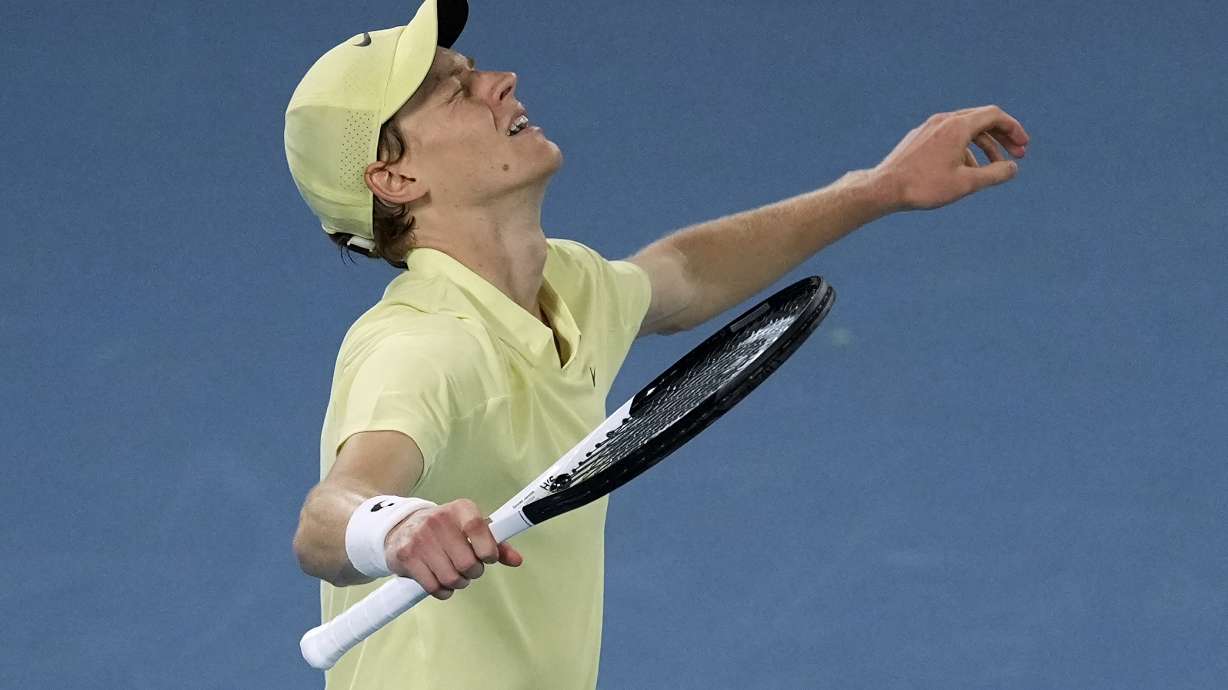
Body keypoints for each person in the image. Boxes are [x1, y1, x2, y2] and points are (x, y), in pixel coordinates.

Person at [283, 0, 1030, 687]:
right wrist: (398, 526)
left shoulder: (563, 285)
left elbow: (683, 275)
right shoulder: (422, 346)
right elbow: (328, 516)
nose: (501, 81)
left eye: (474, 70)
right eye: (456, 90)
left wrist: (878, 187)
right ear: (396, 176)